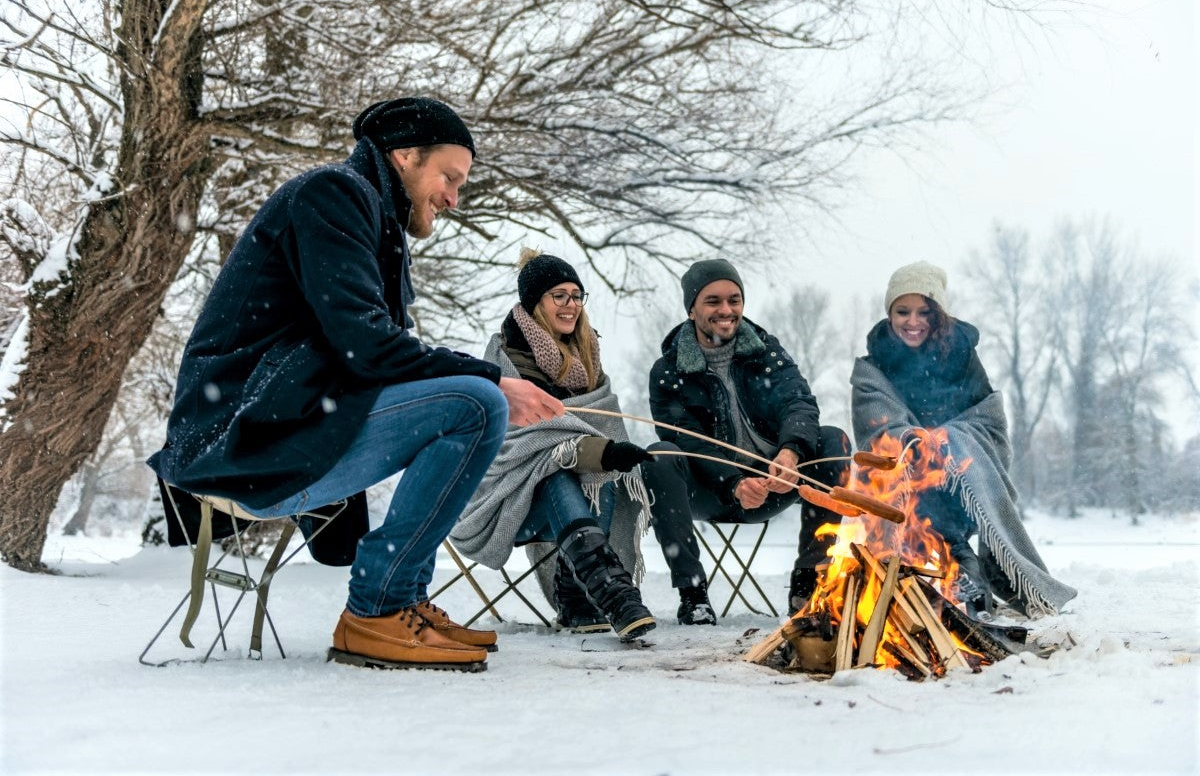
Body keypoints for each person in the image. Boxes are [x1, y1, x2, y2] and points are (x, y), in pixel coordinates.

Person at [148, 97, 563, 671]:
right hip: (240, 439)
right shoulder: (334, 194)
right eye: (448, 177)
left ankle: (404, 603)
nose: (452, 198)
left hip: (283, 429)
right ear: (403, 155)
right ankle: (379, 608)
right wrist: (494, 377)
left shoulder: (371, 218)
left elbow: (372, 349)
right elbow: (366, 345)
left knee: (472, 400)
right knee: (475, 403)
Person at [449, 250, 657, 642]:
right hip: (508, 501)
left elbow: (594, 425)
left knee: (602, 476)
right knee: (552, 475)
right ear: (535, 303)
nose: (571, 305)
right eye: (558, 295)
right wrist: (596, 450)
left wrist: (605, 454)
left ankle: (577, 597)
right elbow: (521, 448)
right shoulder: (505, 362)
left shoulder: (590, 361)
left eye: (577, 295)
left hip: (569, 508)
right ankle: (612, 590)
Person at [850, 261, 1076, 617]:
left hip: (957, 477)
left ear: (938, 314)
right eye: (902, 311)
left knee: (944, 462)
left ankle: (967, 570)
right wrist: (914, 440)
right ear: (889, 313)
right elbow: (875, 425)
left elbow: (987, 420)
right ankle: (955, 573)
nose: (913, 321)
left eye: (924, 311)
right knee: (914, 471)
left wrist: (948, 439)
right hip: (903, 480)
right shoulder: (873, 367)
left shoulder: (961, 356)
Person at [642, 259, 851, 624]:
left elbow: (798, 402)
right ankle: (693, 595)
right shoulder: (669, 371)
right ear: (692, 309)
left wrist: (790, 452)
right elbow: (685, 438)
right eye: (713, 301)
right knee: (659, 456)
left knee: (833, 440)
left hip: (775, 482)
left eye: (734, 299)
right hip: (710, 490)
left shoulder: (767, 353)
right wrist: (734, 483)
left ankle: (809, 584)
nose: (726, 310)